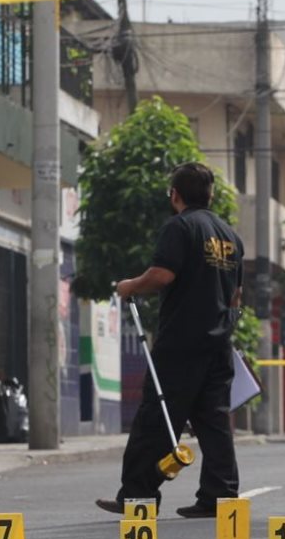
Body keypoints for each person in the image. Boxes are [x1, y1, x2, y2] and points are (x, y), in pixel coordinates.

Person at [95, 162, 244, 518]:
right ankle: (219, 496)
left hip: (181, 342)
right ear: (210, 195)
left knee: (156, 418)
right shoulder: (230, 236)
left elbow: (162, 275)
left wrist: (130, 286)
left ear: (174, 195)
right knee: (214, 422)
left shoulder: (180, 227)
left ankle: (138, 495)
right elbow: (236, 296)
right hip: (218, 342)